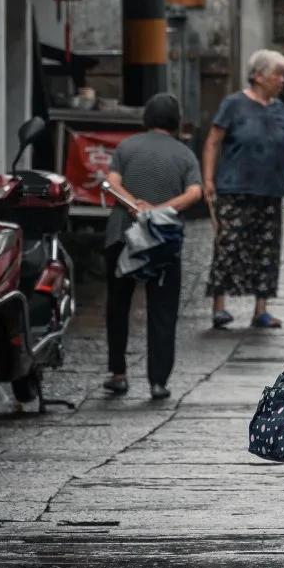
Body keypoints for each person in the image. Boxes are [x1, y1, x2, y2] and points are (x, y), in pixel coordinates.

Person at [103, 94, 203, 401]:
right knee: (163, 311)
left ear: (146, 119)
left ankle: (118, 374)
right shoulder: (185, 154)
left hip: (122, 237)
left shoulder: (126, 147)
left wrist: (134, 205)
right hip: (163, 243)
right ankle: (158, 381)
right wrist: (160, 210)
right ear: (176, 122)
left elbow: (110, 182)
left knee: (118, 306)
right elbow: (195, 193)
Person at [203, 50, 284, 330]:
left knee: (267, 250)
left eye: (283, 75)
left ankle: (261, 309)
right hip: (234, 188)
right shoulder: (233, 104)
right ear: (258, 76)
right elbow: (213, 142)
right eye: (277, 74)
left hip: (270, 190)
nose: (282, 80)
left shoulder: (281, 110)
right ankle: (219, 306)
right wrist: (208, 179)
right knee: (228, 245)